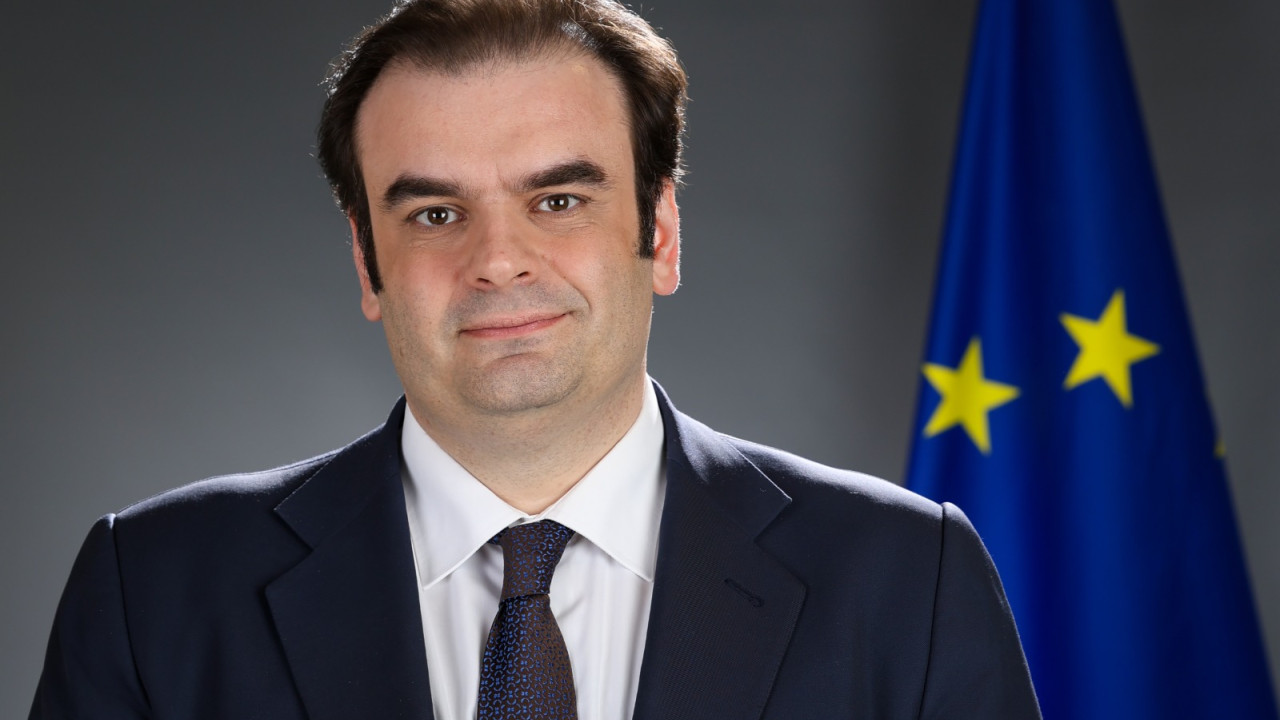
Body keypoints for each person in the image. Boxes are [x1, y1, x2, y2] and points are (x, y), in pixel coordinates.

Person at [29, 0, 1041, 718]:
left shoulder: (905, 583)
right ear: (367, 263)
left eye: (558, 200)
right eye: (434, 213)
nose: (497, 259)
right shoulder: (154, 591)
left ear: (660, 234)